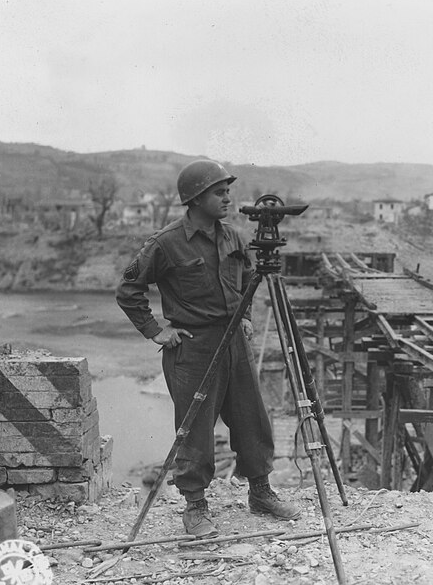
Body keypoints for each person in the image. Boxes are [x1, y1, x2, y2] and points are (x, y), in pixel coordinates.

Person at [115, 159, 300, 538]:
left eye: (228, 191)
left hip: (235, 341)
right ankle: (195, 507)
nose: (228, 198)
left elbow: (248, 277)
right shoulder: (165, 243)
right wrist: (156, 331)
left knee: (252, 418)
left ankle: (261, 492)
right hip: (194, 347)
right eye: (220, 192)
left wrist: (245, 314)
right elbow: (128, 290)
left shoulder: (232, 236)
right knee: (195, 429)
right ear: (196, 199)